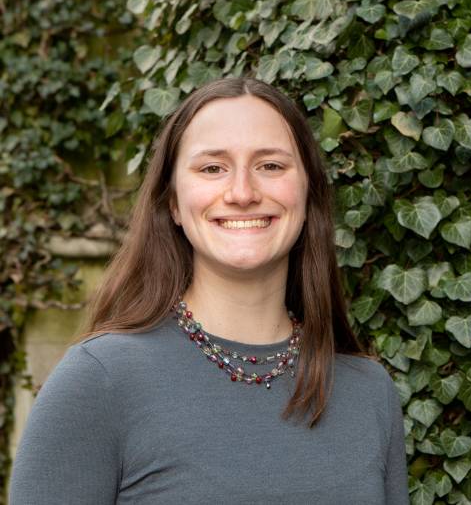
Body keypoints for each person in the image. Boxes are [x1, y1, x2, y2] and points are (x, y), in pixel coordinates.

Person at [10, 77, 408, 504]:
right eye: (212, 168)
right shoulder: (99, 380)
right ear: (174, 203)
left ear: (308, 194)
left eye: (270, 166)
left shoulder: (369, 392)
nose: (242, 193)